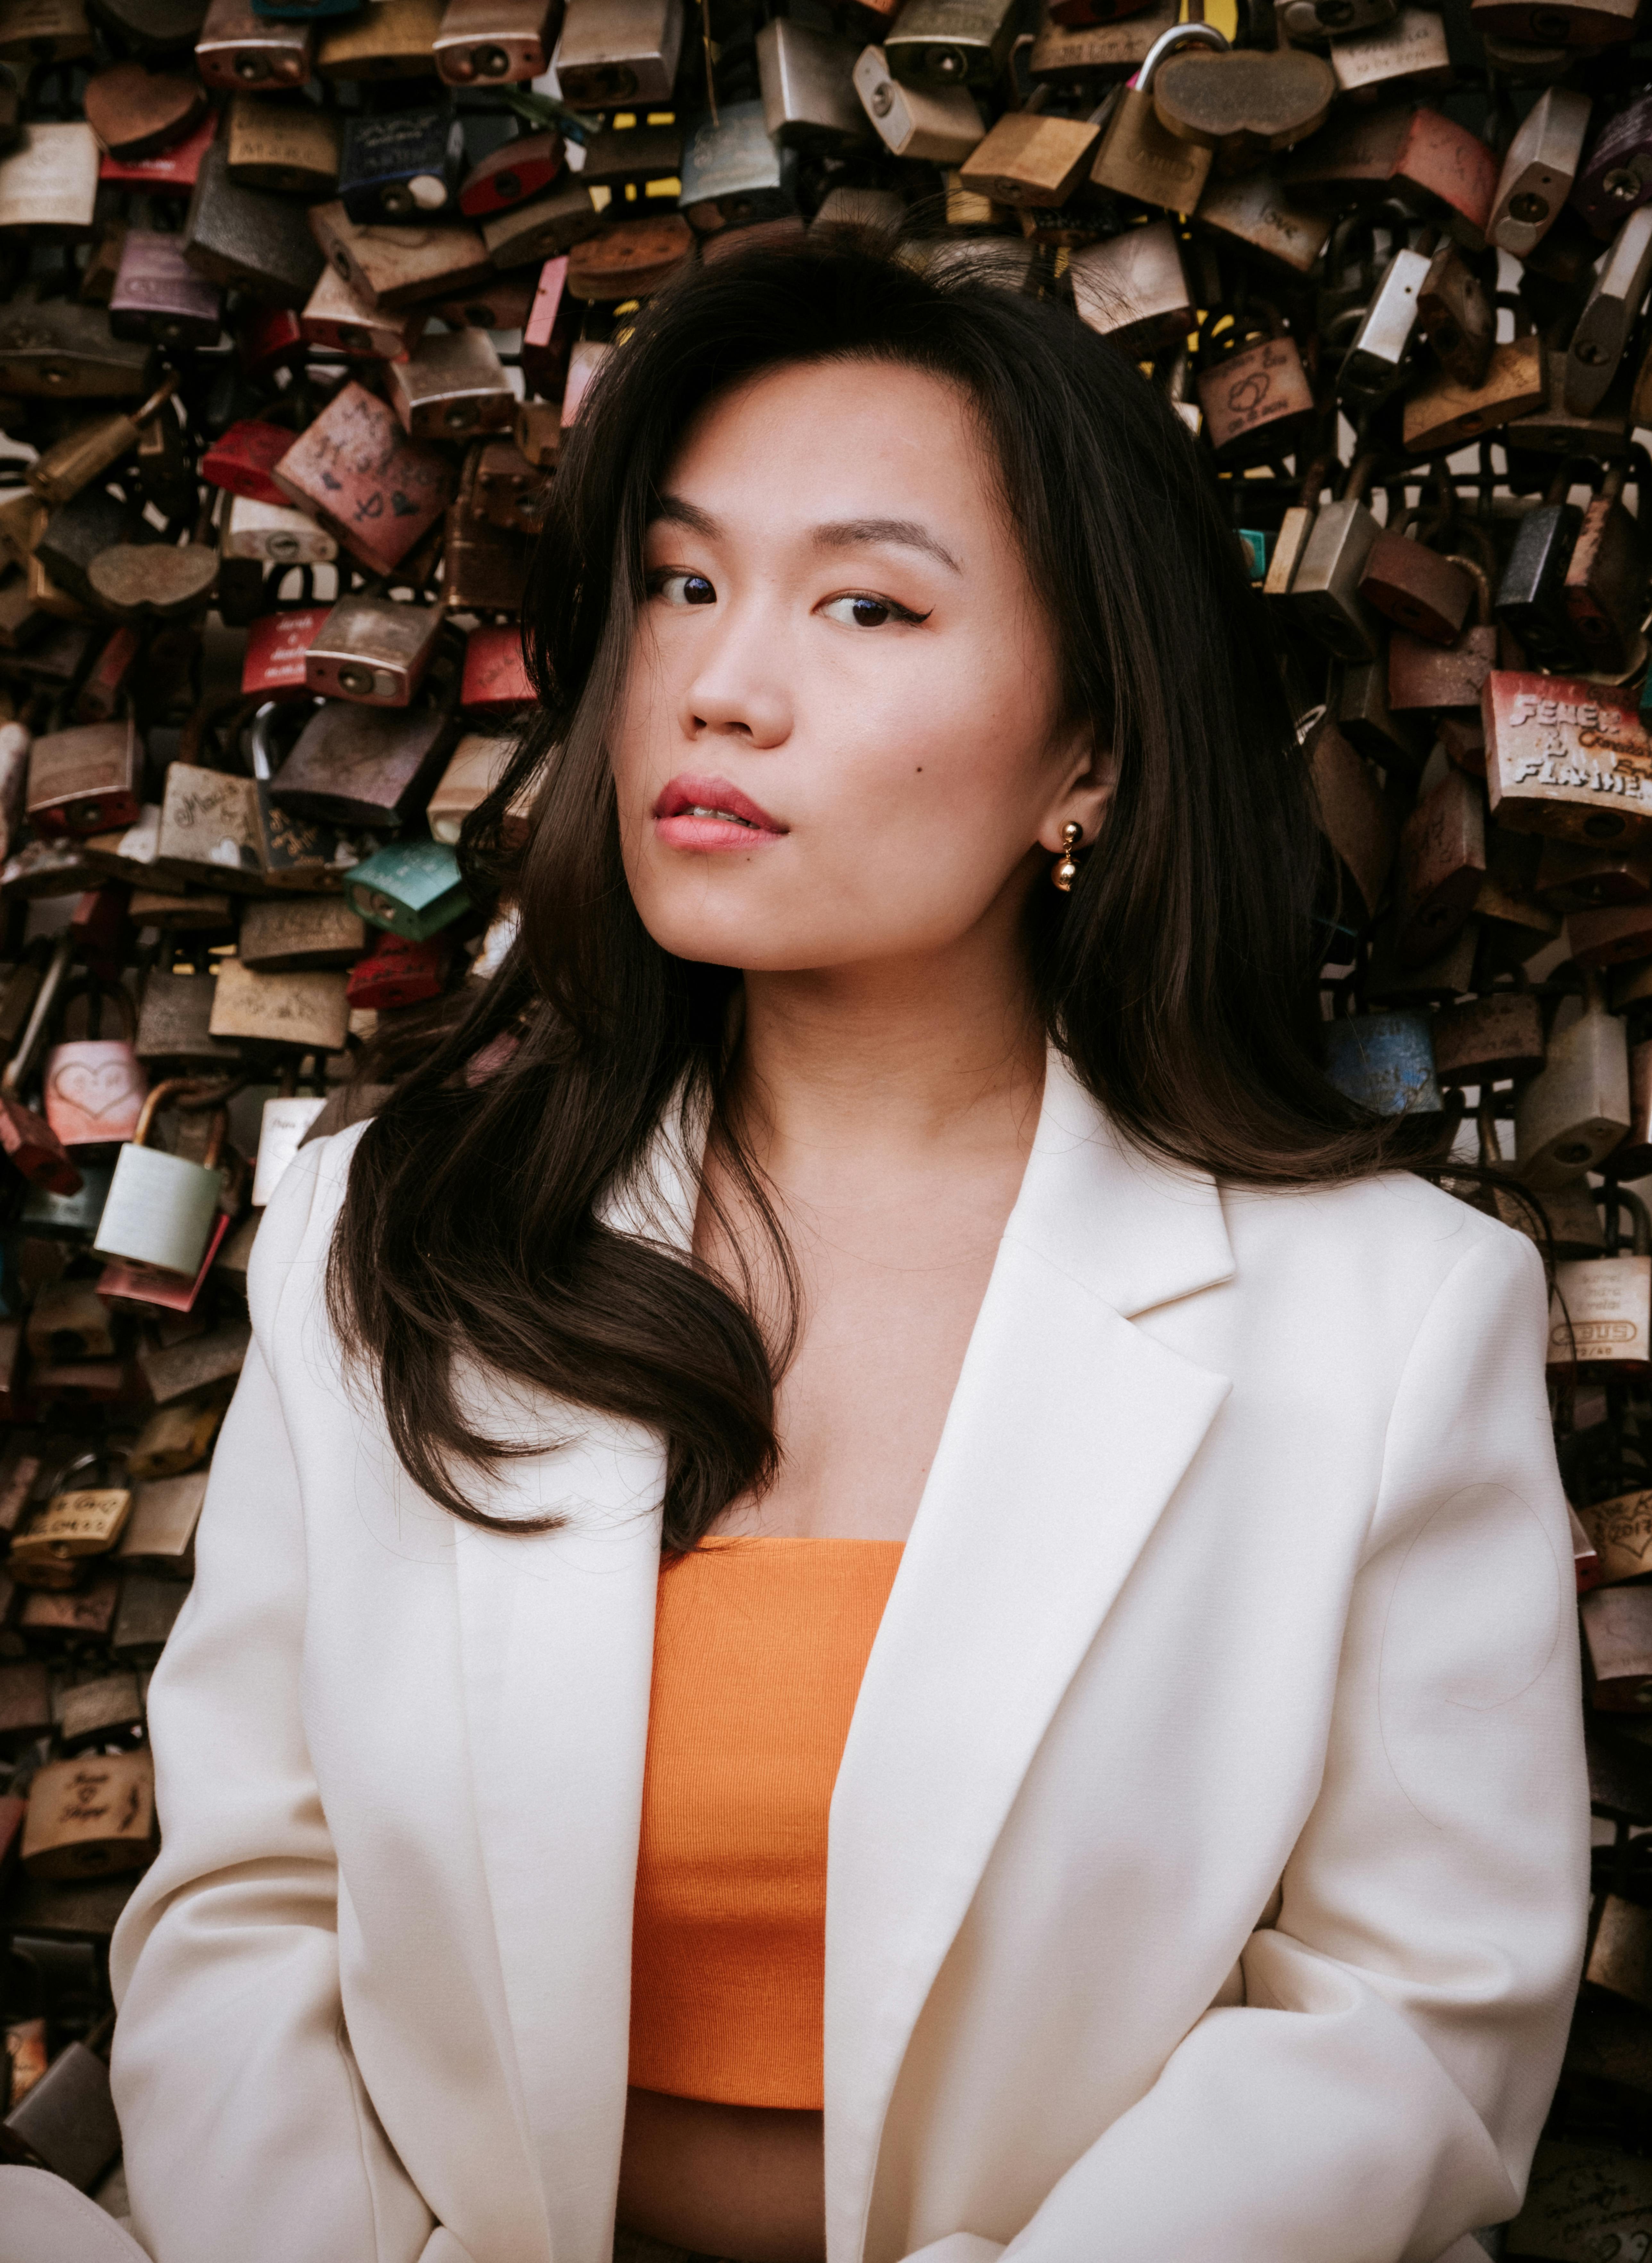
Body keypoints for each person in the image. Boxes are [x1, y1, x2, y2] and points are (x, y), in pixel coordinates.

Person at [93, 237, 1584, 2263]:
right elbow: (245, 1911)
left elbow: (1409, 2032)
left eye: (869, 603)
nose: (722, 680)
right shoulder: (396, 1233)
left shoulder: (1390, 1318)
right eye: (684, 585)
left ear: (1093, 754)